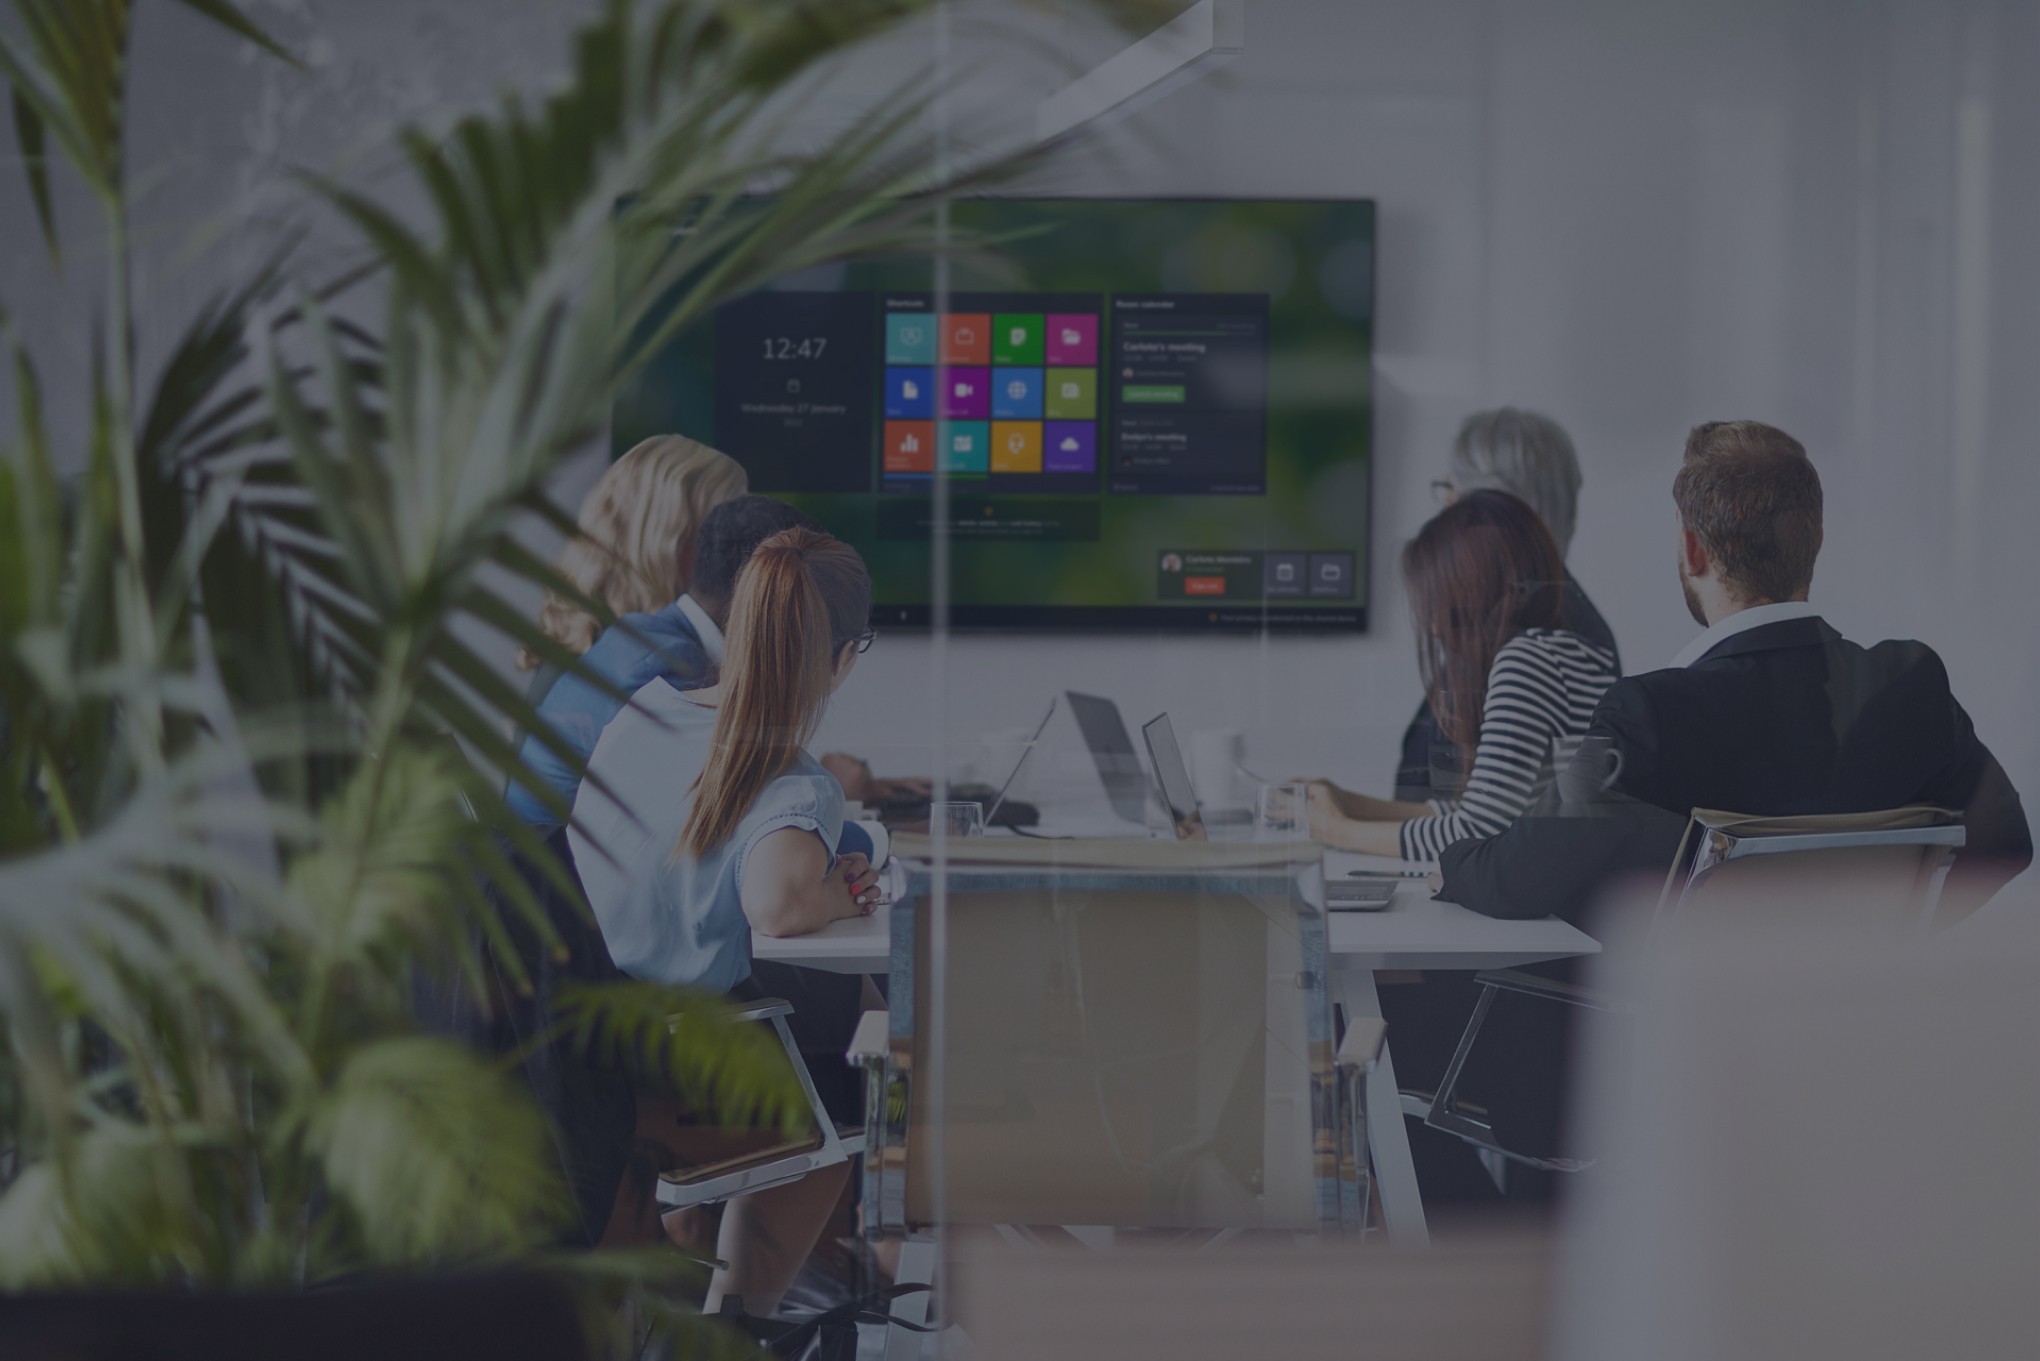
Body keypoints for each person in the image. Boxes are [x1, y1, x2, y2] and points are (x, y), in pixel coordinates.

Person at [1436, 420, 2033, 926]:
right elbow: (2006, 843)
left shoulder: (1648, 714)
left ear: (1693, 551)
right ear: (1815, 542)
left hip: (1698, 1054)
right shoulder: (1910, 682)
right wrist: (1873, 949)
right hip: (1865, 1041)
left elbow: (1512, 875)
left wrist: (1451, 860)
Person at [569, 527, 882, 1321]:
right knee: (847, 1097)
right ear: (842, 659)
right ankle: (734, 1328)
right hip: (668, 1054)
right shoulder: (793, 780)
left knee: (818, 1038)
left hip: (576, 1032)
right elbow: (776, 903)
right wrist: (844, 894)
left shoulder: (647, 707)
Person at [1303, 490, 1621, 859]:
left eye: (1442, 605)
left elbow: (1477, 833)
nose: (1436, 628)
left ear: (1479, 591)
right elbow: (1483, 812)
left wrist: (1337, 831)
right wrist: (1347, 804)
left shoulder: (1528, 660)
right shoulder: (1574, 653)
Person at [1397, 409, 1619, 799]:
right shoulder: (1542, 614)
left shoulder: (1537, 638)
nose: (1445, 506)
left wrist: (1340, 824)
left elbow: (1479, 825)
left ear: (1496, 510)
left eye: (1456, 493)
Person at [518, 434, 748, 688]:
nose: (741, 549)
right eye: (726, 529)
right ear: (668, 539)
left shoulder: (583, 648)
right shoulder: (650, 670)